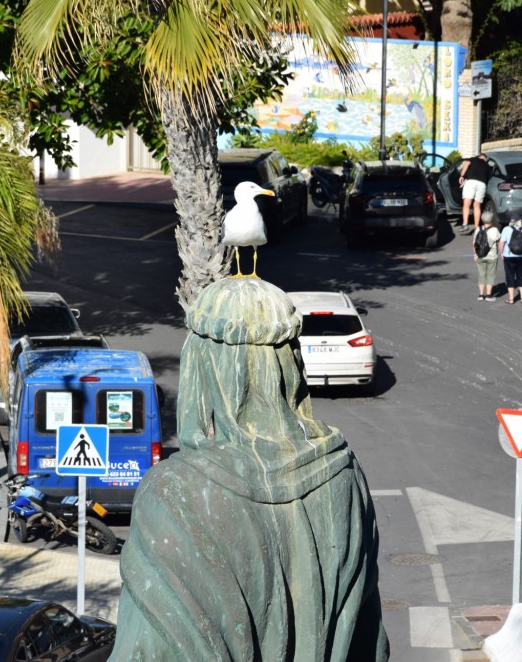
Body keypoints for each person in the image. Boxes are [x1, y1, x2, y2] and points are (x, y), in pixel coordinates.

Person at [111, 277, 390, 662]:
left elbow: (141, 652)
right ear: (290, 364)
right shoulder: (344, 472)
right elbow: (370, 642)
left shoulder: (174, 493)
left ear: (204, 364)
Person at [500, 215, 522, 303]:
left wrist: (501, 252)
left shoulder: (506, 229)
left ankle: (511, 299)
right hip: (521, 256)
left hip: (508, 256)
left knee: (510, 276)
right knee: (521, 276)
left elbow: (501, 243)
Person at [457, 152, 491, 234]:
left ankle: (465, 224)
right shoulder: (487, 166)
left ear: (479, 157)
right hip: (482, 184)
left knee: (467, 204)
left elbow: (466, 164)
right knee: (477, 205)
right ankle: (476, 227)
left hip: (471, 182)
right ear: (485, 159)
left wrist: (462, 175)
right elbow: (489, 178)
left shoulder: (473, 159)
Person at [472, 211, 502, 301]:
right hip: (492, 256)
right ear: (491, 220)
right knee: (490, 275)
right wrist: (501, 252)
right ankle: (489, 295)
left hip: (480, 256)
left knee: (481, 275)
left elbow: (474, 242)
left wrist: (475, 254)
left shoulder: (478, 229)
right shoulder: (495, 230)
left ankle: (481, 295)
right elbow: (499, 242)